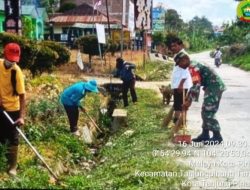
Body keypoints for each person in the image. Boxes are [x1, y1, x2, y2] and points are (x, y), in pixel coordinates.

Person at [178, 53, 226, 144]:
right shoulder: (193, 65)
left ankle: (217, 136)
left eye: (179, 63)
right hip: (211, 87)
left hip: (214, 87)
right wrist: (188, 97)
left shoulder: (193, 67)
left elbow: (196, 84)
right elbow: (194, 85)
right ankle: (205, 134)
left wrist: (189, 101)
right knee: (204, 110)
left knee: (208, 111)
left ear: (184, 60)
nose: (179, 66)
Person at [0, 43, 26, 176]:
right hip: (0, 106)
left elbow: (22, 96)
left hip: (13, 109)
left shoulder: (17, 71)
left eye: (14, 60)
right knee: (1, 135)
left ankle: (12, 167)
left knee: (13, 138)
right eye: (10, 60)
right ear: (4, 55)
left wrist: (21, 116)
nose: (12, 63)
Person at [166, 37, 193, 124]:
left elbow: (185, 72)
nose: (173, 48)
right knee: (177, 104)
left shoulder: (184, 56)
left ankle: (179, 124)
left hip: (181, 85)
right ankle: (177, 123)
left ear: (180, 45)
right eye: (172, 46)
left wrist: (181, 84)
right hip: (177, 84)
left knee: (179, 105)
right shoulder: (178, 55)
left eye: (175, 46)